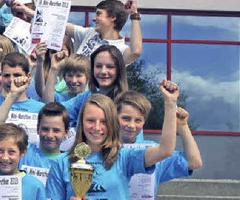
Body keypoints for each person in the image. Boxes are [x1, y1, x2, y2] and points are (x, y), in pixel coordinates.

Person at [46, 79, 180, 199]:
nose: (97, 127)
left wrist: (170, 103)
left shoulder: (124, 157)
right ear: (81, 122)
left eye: (104, 121)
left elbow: (165, 151)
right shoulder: (61, 163)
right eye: (90, 120)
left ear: (112, 123)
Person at [115, 91, 202, 196]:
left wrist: (182, 126)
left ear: (144, 122)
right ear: (114, 117)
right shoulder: (101, 150)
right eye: (126, 118)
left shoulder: (154, 151)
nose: (131, 125)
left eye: (138, 120)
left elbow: (194, 162)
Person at [0, 123, 47, 200]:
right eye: (0, 151)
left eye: (11, 152)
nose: (5, 158)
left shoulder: (35, 186)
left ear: (23, 152)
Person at [65, 0, 142, 64]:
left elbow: (135, 52)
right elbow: (63, 26)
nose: (94, 19)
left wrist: (134, 14)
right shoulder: (90, 33)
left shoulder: (120, 50)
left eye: (98, 14)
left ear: (113, 17)